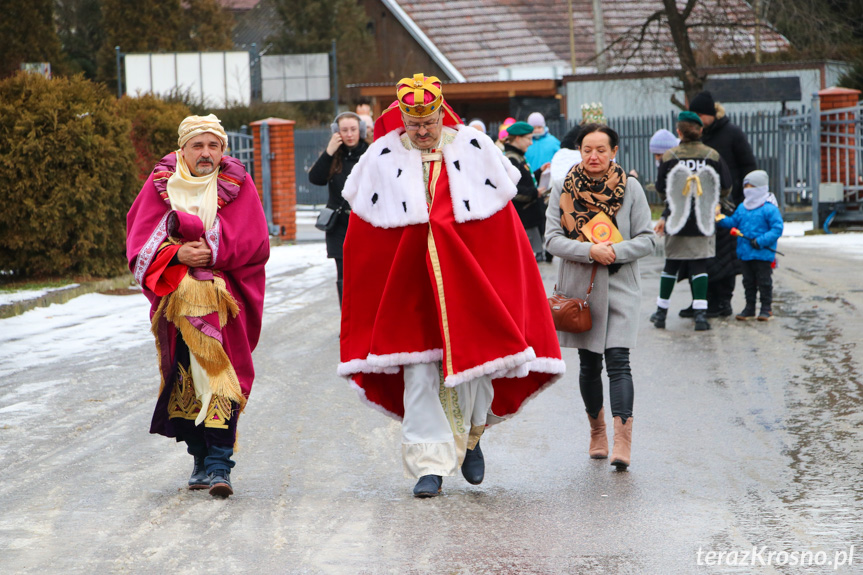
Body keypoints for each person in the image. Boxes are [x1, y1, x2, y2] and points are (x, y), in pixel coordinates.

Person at [339, 73, 565, 497]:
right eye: (414, 124)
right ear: (401, 118)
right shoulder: (380, 160)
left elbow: (503, 235)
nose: (423, 132)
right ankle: (429, 463)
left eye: (430, 122)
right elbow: (364, 242)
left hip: (470, 286)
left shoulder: (475, 151)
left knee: (476, 369)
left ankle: (473, 437)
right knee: (420, 372)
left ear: (442, 113)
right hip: (410, 289)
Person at [126, 114, 270, 498]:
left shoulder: (238, 185)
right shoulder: (160, 186)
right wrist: (176, 254)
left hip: (225, 303)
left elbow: (256, 242)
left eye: (214, 146)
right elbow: (139, 242)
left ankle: (221, 465)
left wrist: (210, 252)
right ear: (183, 149)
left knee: (223, 376)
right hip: (177, 305)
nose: (206, 154)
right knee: (185, 378)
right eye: (198, 146)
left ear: (223, 150)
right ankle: (200, 459)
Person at [545, 123, 655, 470]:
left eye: (601, 150)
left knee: (619, 361)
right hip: (581, 290)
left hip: (621, 286)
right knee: (590, 364)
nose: (594, 156)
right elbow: (551, 239)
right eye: (588, 150)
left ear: (614, 152)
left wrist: (615, 252)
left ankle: (623, 442)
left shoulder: (632, 188)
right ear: (579, 151)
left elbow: (648, 239)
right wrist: (589, 251)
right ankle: (597, 433)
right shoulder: (563, 187)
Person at [651, 111, 732, 331]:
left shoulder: (669, 156)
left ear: (679, 132)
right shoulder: (712, 155)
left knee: (671, 266)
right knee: (699, 266)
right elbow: (725, 185)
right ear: (700, 131)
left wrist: (672, 204)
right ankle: (701, 316)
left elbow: (661, 189)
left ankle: (660, 313)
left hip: (677, 218)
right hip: (703, 219)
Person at [689, 91, 757, 317]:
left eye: (700, 114)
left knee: (726, 256)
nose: (697, 119)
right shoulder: (698, 137)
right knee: (703, 255)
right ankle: (703, 301)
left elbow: (748, 164)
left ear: (710, 114)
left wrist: (744, 197)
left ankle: (724, 302)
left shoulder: (732, 133)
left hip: (729, 203)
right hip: (702, 204)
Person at [308, 111, 370, 306]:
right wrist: (329, 152)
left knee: (367, 274)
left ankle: (367, 323)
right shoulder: (334, 155)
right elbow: (315, 178)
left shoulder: (371, 153)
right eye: (344, 130)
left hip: (366, 225)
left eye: (353, 129)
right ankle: (348, 323)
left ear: (360, 131)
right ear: (337, 133)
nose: (349, 134)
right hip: (339, 227)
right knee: (343, 275)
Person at [716, 170, 784, 320]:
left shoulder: (769, 208)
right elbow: (733, 222)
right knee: (748, 282)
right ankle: (749, 307)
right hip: (745, 253)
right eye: (745, 186)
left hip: (763, 254)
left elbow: (777, 229)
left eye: (751, 186)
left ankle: (766, 308)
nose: (747, 189)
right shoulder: (742, 207)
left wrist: (760, 241)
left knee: (764, 282)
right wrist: (720, 218)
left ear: (760, 188)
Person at [503, 120, 547, 261]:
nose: (531, 142)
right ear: (517, 138)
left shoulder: (518, 156)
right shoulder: (511, 159)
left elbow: (524, 179)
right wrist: (535, 193)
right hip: (524, 218)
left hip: (529, 217)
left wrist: (540, 172)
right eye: (528, 139)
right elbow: (512, 190)